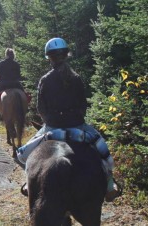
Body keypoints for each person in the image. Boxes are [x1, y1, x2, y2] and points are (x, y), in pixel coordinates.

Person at [19, 37, 120, 202]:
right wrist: (76, 118)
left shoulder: (45, 80)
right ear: (66, 55)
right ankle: (110, 185)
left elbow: (41, 109)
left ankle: (28, 184)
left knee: (26, 155)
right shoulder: (77, 78)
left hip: (52, 127)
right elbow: (83, 105)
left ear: (49, 58)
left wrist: (49, 122)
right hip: (77, 126)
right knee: (103, 151)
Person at [0, 48, 24, 116]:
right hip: (15, 84)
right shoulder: (16, 64)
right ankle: (26, 109)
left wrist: (0, 80)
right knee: (24, 94)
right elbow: (19, 75)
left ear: (6, 54)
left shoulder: (2, 63)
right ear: (13, 55)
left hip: (4, 84)